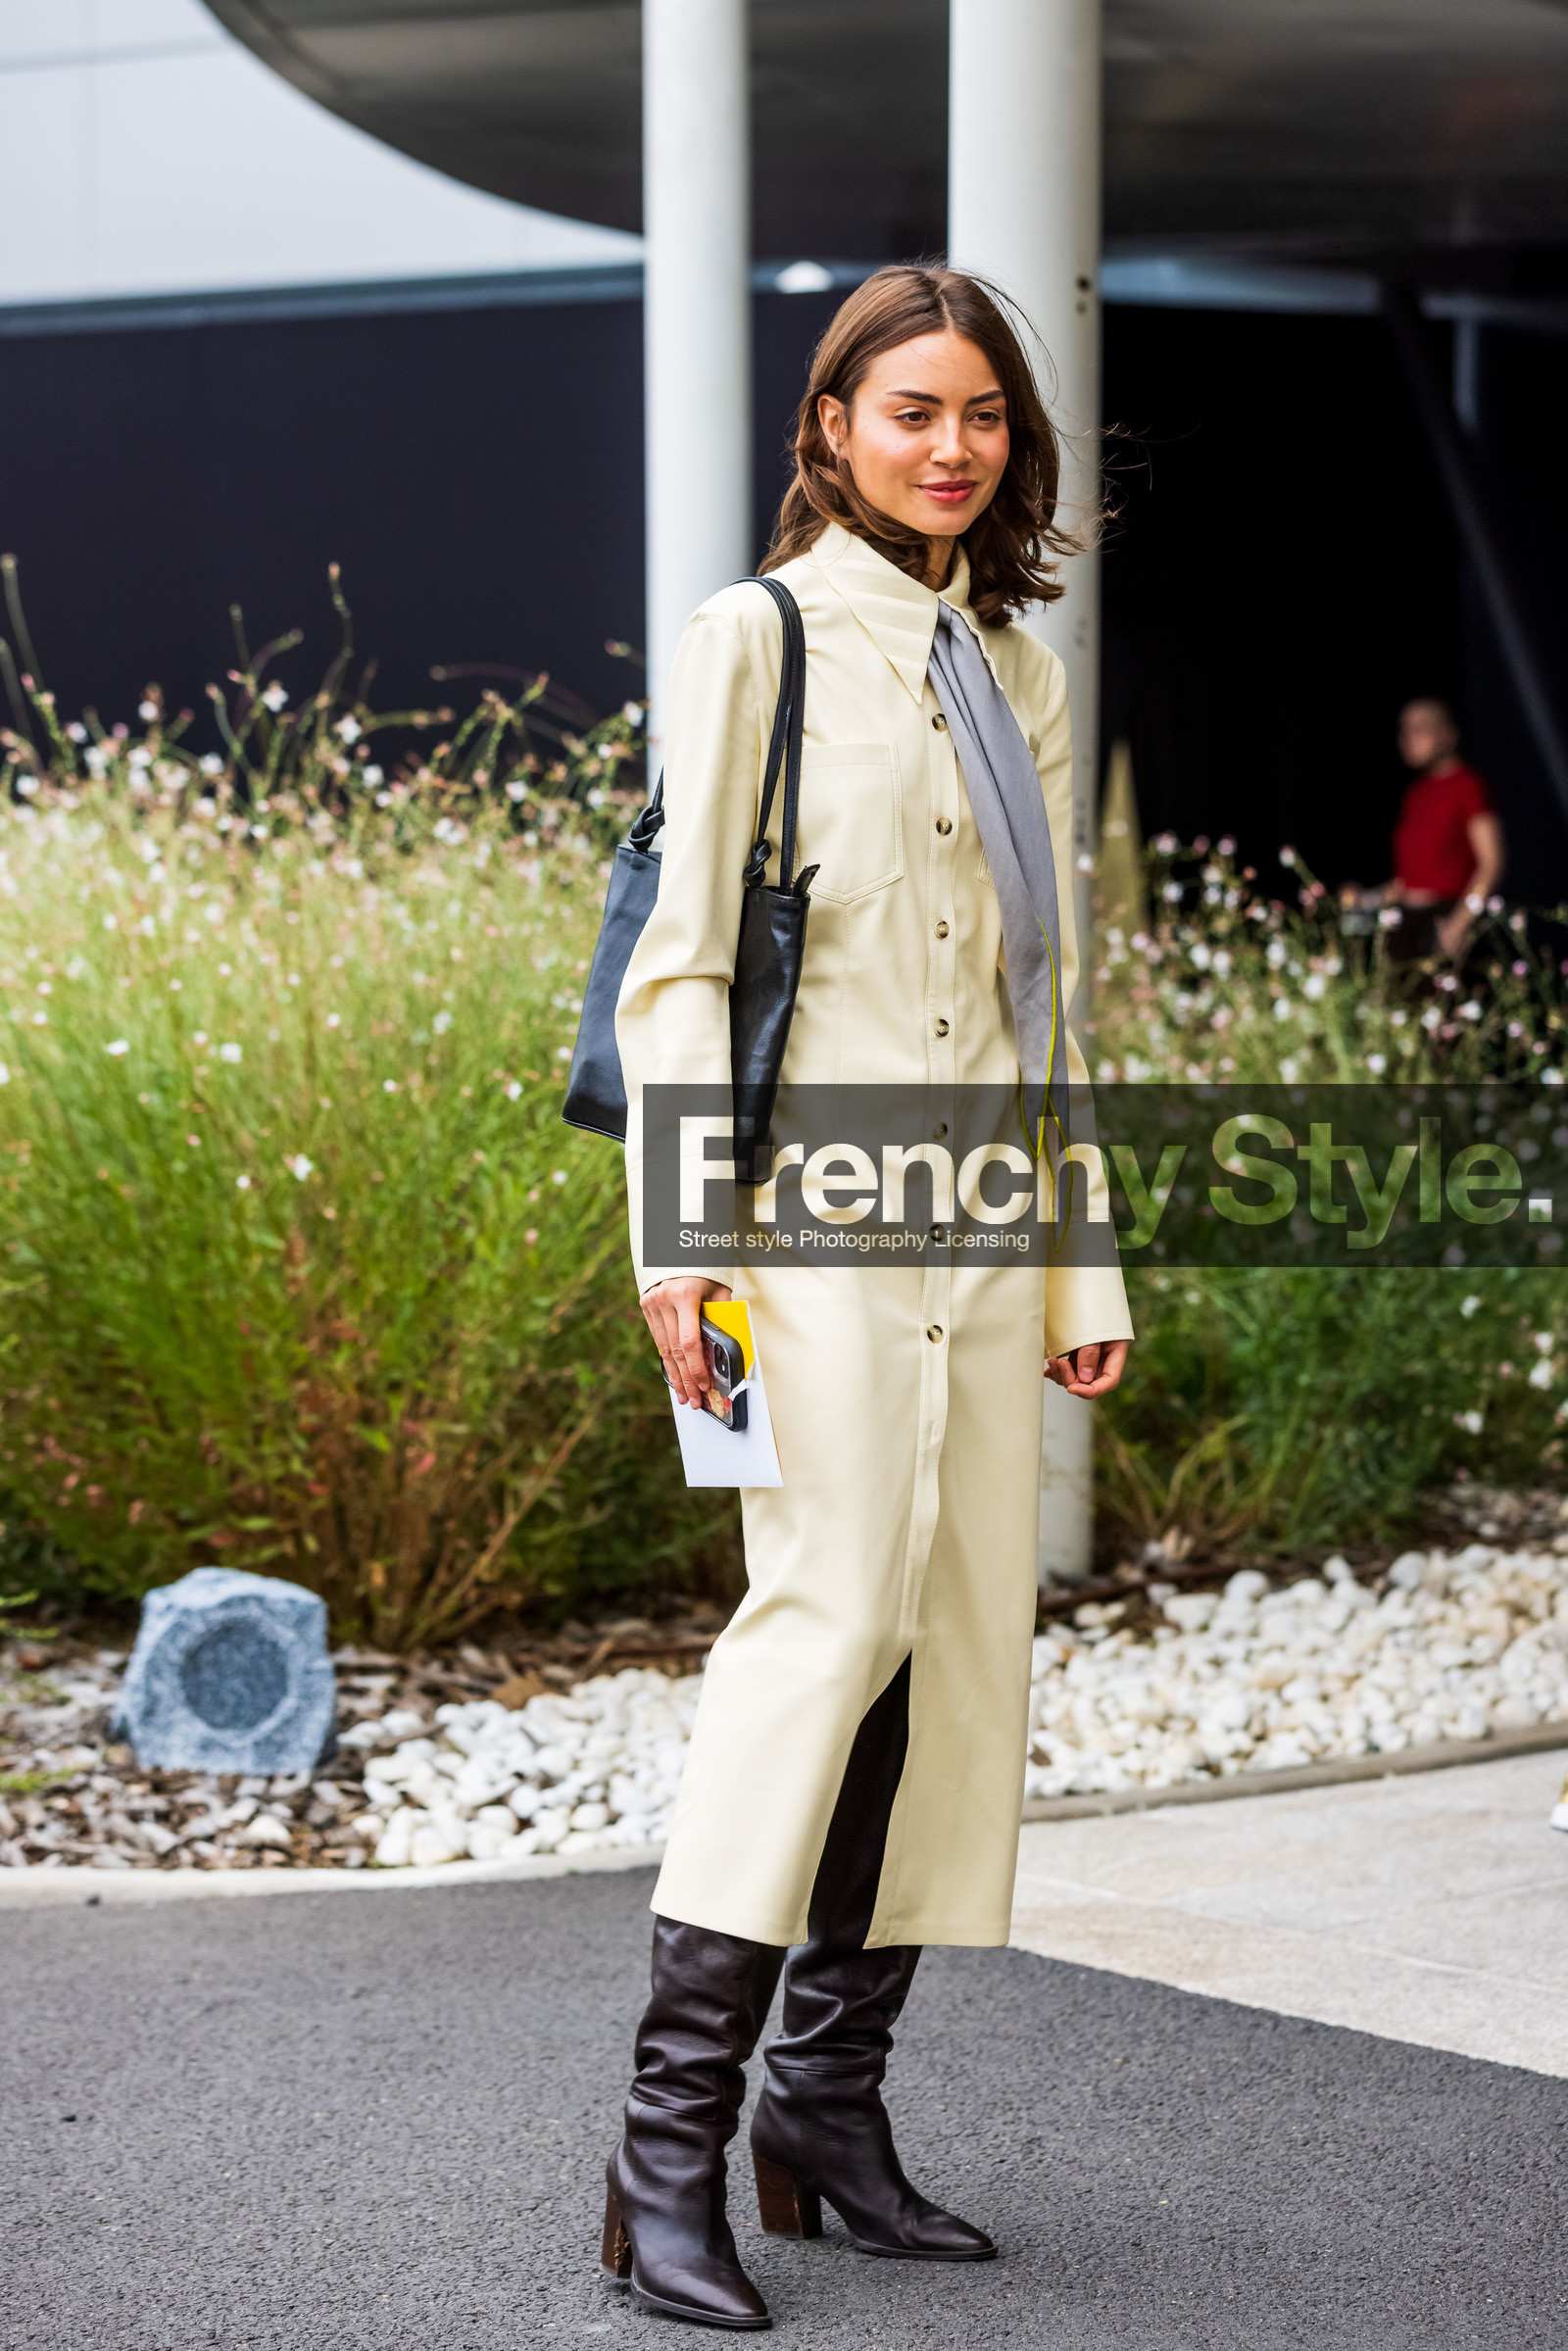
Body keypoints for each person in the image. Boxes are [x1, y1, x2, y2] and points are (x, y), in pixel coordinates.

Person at [607, 264, 1134, 2331]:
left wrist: (1079, 1253)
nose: (951, 445)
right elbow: (679, 967)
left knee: (941, 1652)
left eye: (983, 414)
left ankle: (826, 2112)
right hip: (799, 1234)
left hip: (977, 1239)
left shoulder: (1015, 672)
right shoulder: (755, 636)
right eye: (911, 408)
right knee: (816, 1632)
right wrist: (681, 1239)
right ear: (830, 425)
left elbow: (1034, 1000)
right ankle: (660, 2156)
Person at [1380, 698, 1505, 962]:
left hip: (1444, 920)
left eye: (1420, 728)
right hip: (1404, 921)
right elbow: (1411, 877)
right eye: (1404, 729)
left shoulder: (1467, 785)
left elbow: (1491, 861)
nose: (1409, 737)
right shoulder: (1415, 794)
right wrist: (1366, 898)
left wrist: (1460, 923)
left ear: (1449, 734)